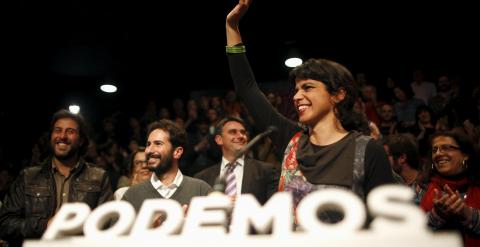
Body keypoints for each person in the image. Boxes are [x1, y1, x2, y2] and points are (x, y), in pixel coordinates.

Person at [225, 0, 395, 209]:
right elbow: (247, 88)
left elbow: (386, 217)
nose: (297, 96)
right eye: (296, 90)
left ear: (338, 95)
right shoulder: (290, 139)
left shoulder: (367, 149)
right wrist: (231, 26)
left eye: (308, 87)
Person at [0, 109, 112, 247]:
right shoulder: (28, 177)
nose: (62, 136)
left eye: (70, 131)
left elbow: (108, 226)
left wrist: (79, 225)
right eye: (58, 130)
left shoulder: (99, 177)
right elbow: (4, 224)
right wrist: (45, 225)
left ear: (81, 140)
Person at [122, 119, 212, 212]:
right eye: (148, 144)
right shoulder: (132, 196)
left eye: (158, 144)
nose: (148, 150)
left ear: (177, 152)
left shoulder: (200, 190)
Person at [416, 131, 480, 247]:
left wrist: (467, 213)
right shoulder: (421, 188)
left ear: (465, 154)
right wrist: (437, 215)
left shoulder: (477, 186)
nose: (438, 154)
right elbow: (412, 232)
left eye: (446, 148)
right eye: (435, 150)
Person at [194, 117, 279, 204]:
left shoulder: (266, 171)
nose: (241, 136)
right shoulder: (202, 178)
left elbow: (274, 209)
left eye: (243, 132)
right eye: (233, 132)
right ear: (219, 140)